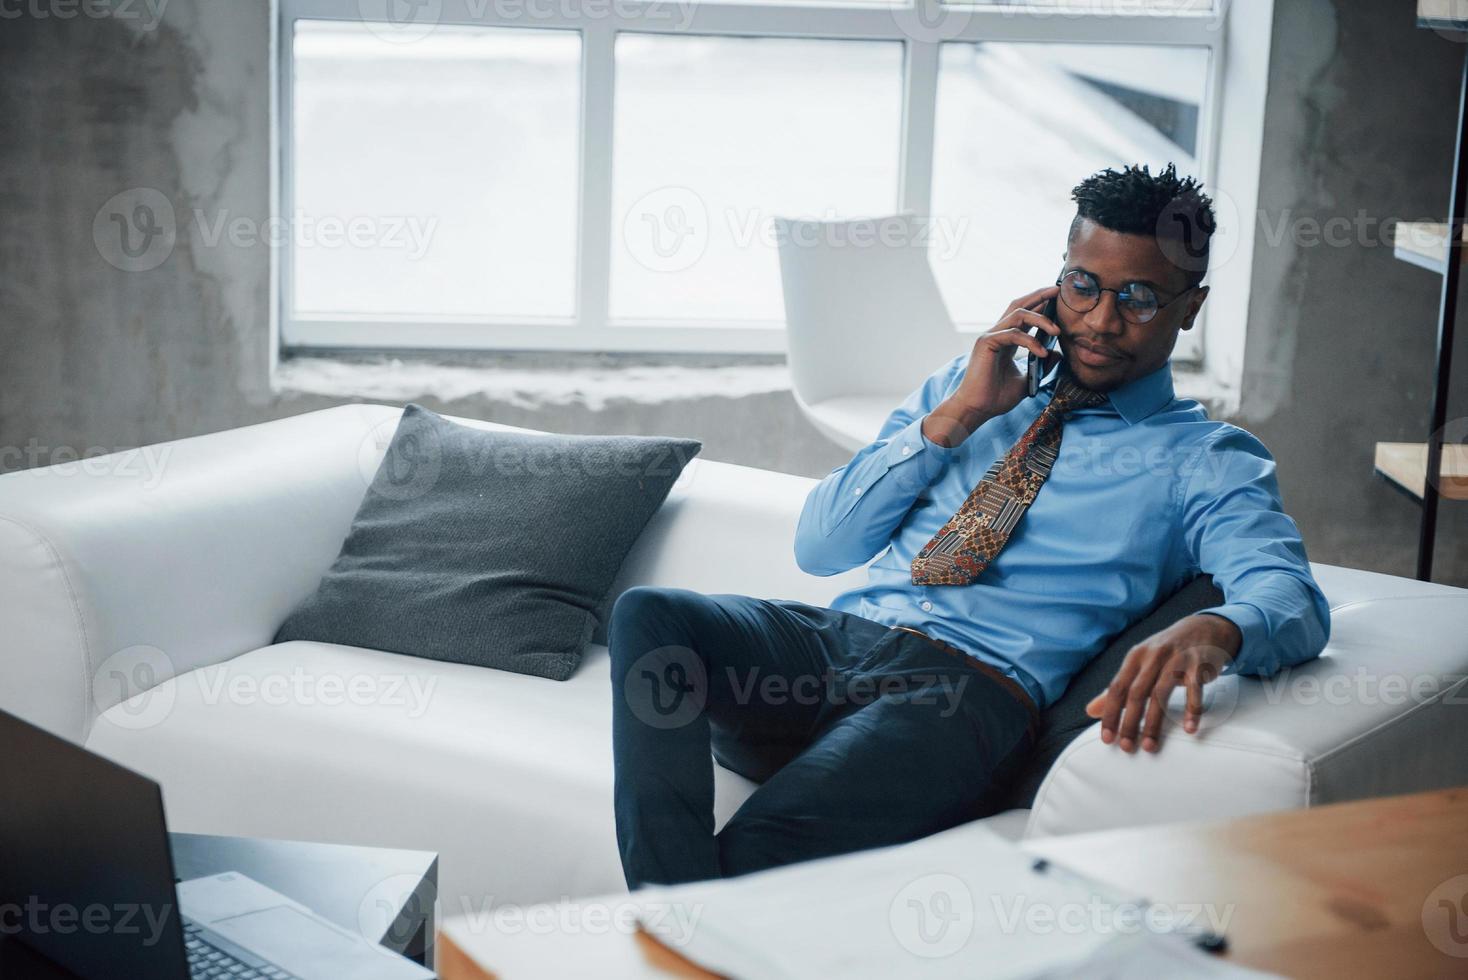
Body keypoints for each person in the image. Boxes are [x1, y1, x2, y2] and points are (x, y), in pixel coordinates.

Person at [608, 162, 1330, 890]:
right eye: (1084, 286)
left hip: (961, 698)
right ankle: (668, 908)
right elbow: (821, 547)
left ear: (1190, 307)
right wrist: (954, 419)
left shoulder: (1206, 458)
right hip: (834, 647)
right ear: (1056, 279)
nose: (1102, 321)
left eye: (1139, 299)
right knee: (651, 615)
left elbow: (1288, 593)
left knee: (757, 863)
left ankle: (663, 915)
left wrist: (1221, 629)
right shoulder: (970, 385)